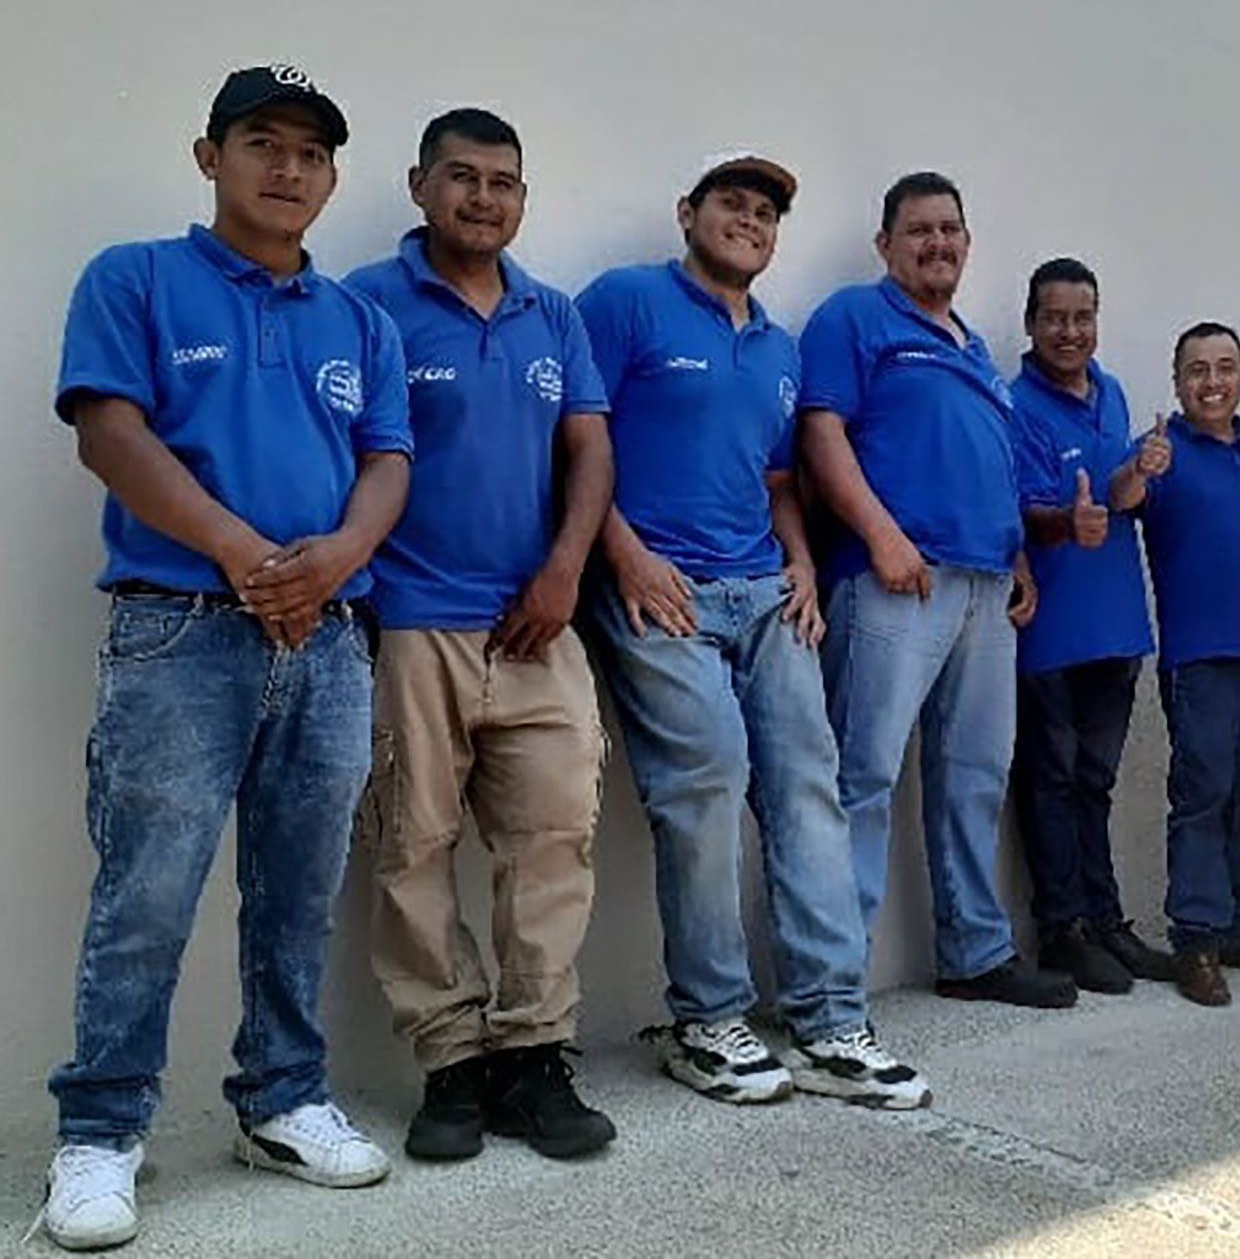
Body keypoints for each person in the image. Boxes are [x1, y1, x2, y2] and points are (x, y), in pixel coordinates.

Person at [41, 65, 409, 1251]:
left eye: (310, 151)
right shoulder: (137, 277)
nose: (287, 168)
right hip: (180, 633)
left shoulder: (362, 319)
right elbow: (108, 429)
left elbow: (386, 462)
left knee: (297, 892)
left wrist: (340, 556)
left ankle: (283, 1099)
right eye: (262, 142)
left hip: (333, 642)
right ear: (210, 157)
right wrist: (250, 554)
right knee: (146, 894)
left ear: (332, 176)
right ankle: (100, 1136)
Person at [578, 153, 930, 1109]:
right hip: (662, 593)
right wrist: (624, 557)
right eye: (732, 204)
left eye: (767, 214)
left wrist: (804, 565)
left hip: (763, 590)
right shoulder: (627, 303)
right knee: (705, 779)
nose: (750, 221)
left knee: (810, 784)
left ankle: (827, 1021)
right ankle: (707, 1019)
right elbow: (576, 439)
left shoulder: (778, 348)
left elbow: (779, 482)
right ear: (687, 212)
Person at [345, 108, 618, 1161]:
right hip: (414, 625)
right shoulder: (365, 304)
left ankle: (533, 1055)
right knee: (414, 846)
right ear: (419, 186)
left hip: (539, 625)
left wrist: (564, 570)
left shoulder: (553, 313)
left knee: (555, 843)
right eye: (463, 178)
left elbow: (588, 452)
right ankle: (450, 1065)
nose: (484, 198)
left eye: (505, 181)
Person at [799, 171, 1072, 1008]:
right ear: (885, 245)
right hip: (894, 579)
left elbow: (985, 466)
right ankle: (833, 983)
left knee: (975, 774)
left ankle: (976, 952)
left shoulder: (973, 348)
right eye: (918, 230)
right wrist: (880, 535)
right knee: (863, 776)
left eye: (950, 229)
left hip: (986, 587)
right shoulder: (854, 316)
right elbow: (820, 430)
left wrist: (1016, 555)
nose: (938, 243)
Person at [1110, 322, 1240, 1007]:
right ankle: (1195, 939)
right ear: (1177, 382)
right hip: (1200, 661)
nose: (1212, 381)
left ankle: (1235, 927)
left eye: (1225, 367)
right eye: (1197, 369)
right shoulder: (1160, 452)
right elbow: (1119, 498)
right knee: (1202, 798)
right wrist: (1141, 468)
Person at [1009, 258, 1171, 994]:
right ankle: (1062, 930)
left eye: (1083, 317)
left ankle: (1105, 921)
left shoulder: (1111, 393)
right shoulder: (1013, 405)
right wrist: (1066, 522)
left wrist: (1137, 472)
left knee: (1095, 782)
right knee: (1051, 782)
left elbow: (1115, 497)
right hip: (1049, 632)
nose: (1070, 331)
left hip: (1117, 627)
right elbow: (1026, 517)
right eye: (1055, 317)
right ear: (1031, 324)